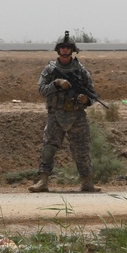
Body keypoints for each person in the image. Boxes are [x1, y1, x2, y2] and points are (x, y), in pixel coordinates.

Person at [29, 30, 101, 193]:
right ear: (58, 49)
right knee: (49, 148)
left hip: (77, 116)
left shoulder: (81, 71)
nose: (65, 49)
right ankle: (43, 181)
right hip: (56, 114)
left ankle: (87, 182)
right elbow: (41, 90)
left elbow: (92, 94)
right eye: (62, 46)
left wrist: (86, 100)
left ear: (73, 49)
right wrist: (56, 84)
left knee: (82, 149)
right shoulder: (50, 70)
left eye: (68, 47)